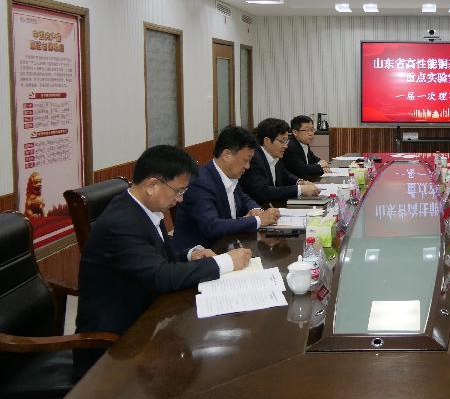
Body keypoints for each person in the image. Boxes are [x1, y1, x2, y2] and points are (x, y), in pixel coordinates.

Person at [75, 145, 252, 376]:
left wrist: (190, 254)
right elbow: (160, 276)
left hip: (147, 317)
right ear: (152, 185)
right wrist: (225, 262)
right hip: (115, 344)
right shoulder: (122, 223)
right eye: (178, 191)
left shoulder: (145, 208)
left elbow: (155, 259)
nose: (180, 199)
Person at [173, 126, 279, 252]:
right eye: (245, 160)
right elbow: (212, 226)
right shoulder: (200, 182)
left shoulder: (229, 174)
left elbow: (244, 198)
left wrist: (256, 210)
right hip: (204, 252)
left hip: (229, 244)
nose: (248, 166)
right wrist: (258, 220)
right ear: (226, 155)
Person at [239, 117, 319, 205]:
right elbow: (263, 191)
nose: (286, 146)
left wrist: (300, 182)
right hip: (260, 208)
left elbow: (284, 174)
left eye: (286, 141)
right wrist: (300, 189)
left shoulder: (275, 154)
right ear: (267, 141)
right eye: (282, 141)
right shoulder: (254, 159)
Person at [283, 115, 329, 179]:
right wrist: (320, 166)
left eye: (312, 130)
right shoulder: (290, 146)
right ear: (295, 132)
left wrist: (322, 164)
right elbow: (302, 169)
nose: (311, 133)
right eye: (307, 130)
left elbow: (315, 159)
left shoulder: (304, 143)